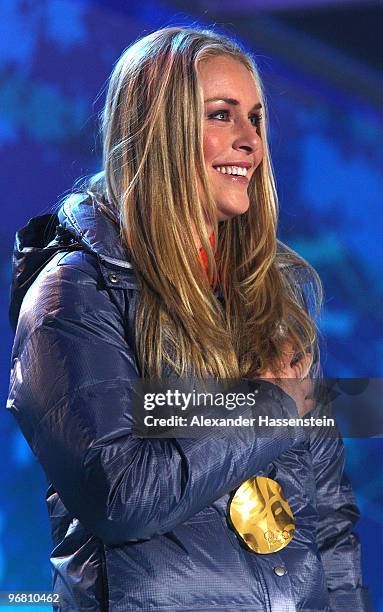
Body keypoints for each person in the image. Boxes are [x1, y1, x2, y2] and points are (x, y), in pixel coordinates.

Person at [7, 26, 371, 611]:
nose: (251, 141)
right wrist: (269, 406)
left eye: (256, 118)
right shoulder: (74, 293)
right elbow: (121, 494)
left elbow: (327, 520)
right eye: (222, 115)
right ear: (160, 129)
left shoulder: (272, 302)